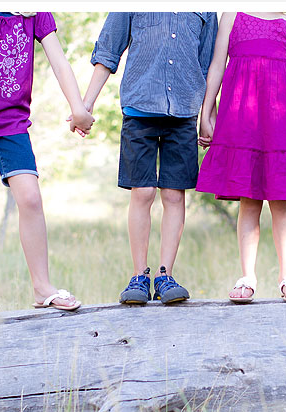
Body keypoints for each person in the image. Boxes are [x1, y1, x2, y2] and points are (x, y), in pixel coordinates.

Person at [0, 11, 94, 326]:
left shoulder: (34, 13)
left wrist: (78, 107)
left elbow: (60, 62)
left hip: (11, 122)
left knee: (30, 197)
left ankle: (42, 287)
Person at [82, 12, 218, 304]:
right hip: (139, 109)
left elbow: (208, 66)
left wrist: (208, 115)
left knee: (173, 195)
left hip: (183, 113)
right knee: (142, 192)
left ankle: (165, 275)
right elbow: (107, 50)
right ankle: (139, 276)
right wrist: (86, 104)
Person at [196, 12, 286, 303]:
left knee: (281, 202)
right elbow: (216, 68)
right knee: (248, 201)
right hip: (241, 121)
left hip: (279, 122)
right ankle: (247, 277)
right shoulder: (232, 18)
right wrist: (206, 114)